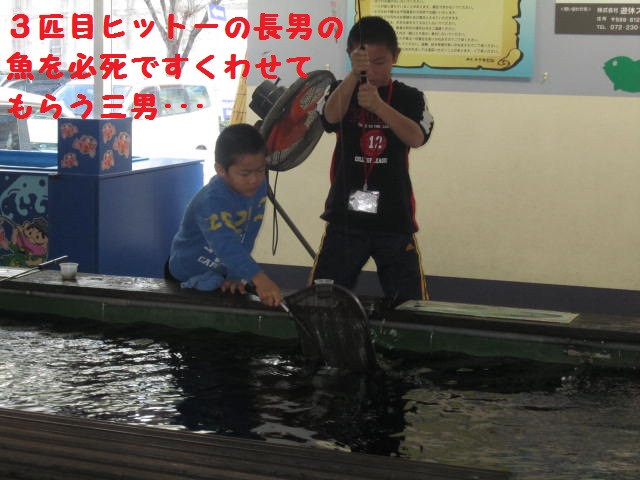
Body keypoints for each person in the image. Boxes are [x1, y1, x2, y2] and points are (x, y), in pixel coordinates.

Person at [310, 16, 435, 306]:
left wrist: (379, 106)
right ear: (351, 57)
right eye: (365, 62)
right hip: (345, 218)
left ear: (396, 56)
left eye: (380, 62)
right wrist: (354, 76)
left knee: (411, 306)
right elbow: (329, 118)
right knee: (322, 302)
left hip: (394, 217)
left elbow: (417, 137)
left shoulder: (410, 97)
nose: (373, 71)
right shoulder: (341, 90)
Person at [167, 123, 282, 307]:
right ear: (220, 170)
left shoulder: (259, 187)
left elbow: (250, 232)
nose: (254, 179)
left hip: (222, 272)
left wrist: (236, 275)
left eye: (260, 170)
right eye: (245, 174)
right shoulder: (211, 201)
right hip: (185, 272)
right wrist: (259, 278)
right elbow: (225, 243)